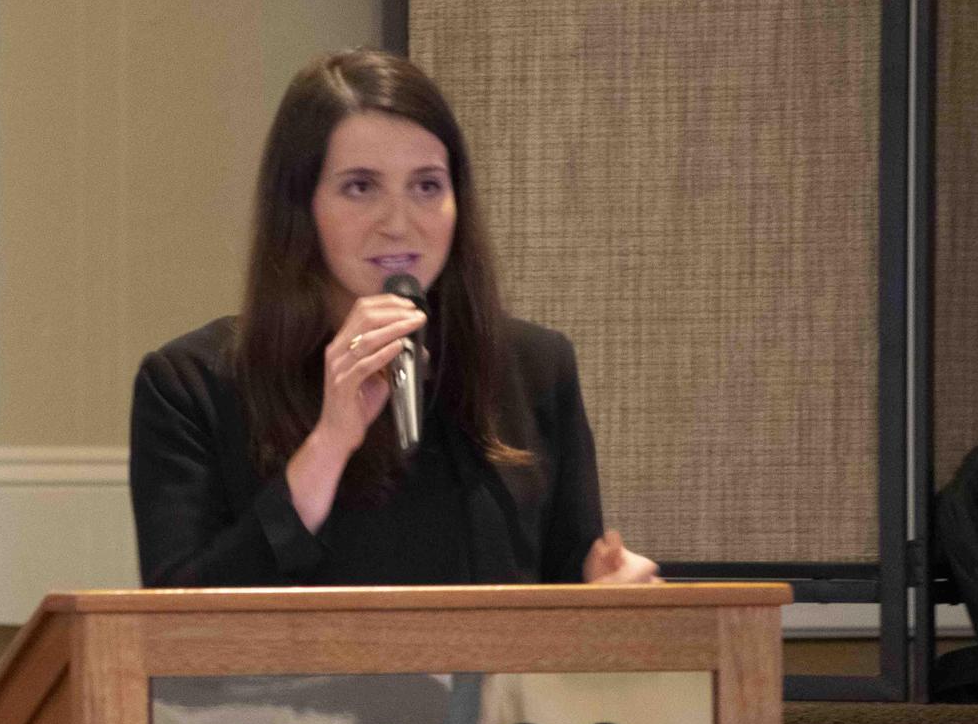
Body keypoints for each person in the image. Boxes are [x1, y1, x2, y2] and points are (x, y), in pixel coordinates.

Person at [129, 49, 658, 588]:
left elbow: (569, 584)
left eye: (427, 186)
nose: (399, 224)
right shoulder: (190, 385)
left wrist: (608, 592)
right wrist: (330, 444)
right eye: (361, 187)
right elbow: (177, 624)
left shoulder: (535, 367)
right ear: (301, 206)